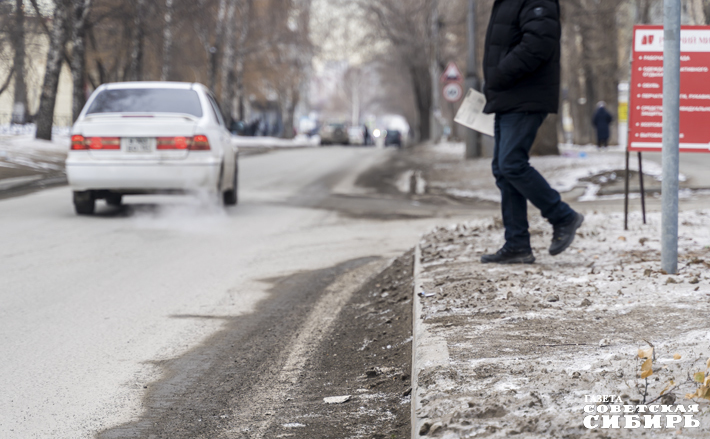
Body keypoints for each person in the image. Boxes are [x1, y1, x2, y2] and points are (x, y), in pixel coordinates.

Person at [480, 0, 584, 264]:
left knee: (512, 164)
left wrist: (499, 75)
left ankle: (562, 216)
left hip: (525, 95)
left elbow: (538, 44)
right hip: (509, 96)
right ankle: (517, 244)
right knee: (503, 170)